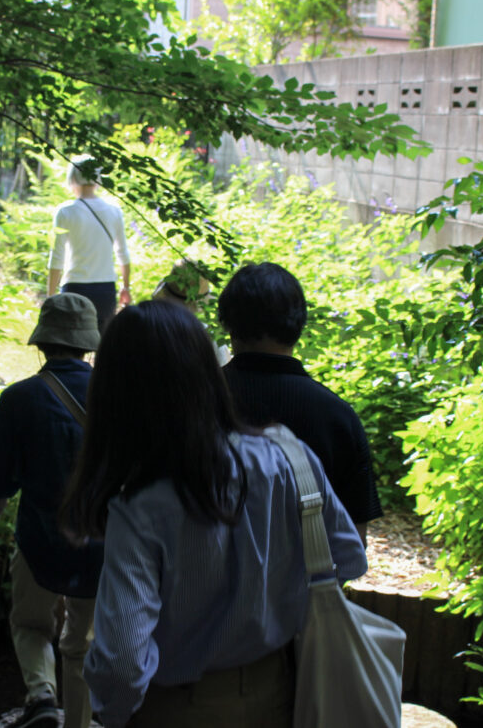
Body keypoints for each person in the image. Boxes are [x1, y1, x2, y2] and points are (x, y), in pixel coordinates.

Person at [62, 300, 366, 728]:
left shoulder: (141, 505)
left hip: (177, 706)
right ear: (206, 372)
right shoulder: (288, 457)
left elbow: (123, 663)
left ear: (117, 395)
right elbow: (350, 559)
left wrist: (110, 715)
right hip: (281, 694)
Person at [0, 293, 104, 728]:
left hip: (39, 538)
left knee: (30, 624)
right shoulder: (115, 398)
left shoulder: (20, 399)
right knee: (82, 642)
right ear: (88, 344)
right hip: (102, 543)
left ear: (42, 342)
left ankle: (42, 696)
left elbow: (3, 476)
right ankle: (79, 723)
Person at [218, 262, 382, 544]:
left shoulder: (193, 400)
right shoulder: (337, 416)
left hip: (198, 582)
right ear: (299, 324)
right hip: (305, 586)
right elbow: (354, 539)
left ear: (228, 323)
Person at [47, 155, 130, 333]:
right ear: (98, 179)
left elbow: (57, 259)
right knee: (102, 348)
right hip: (105, 290)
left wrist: (50, 297)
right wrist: (126, 287)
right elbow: (123, 254)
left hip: (74, 287)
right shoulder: (114, 212)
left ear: (73, 178)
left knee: (71, 345)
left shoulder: (65, 212)